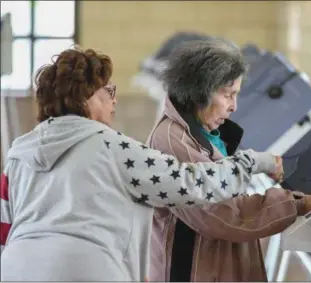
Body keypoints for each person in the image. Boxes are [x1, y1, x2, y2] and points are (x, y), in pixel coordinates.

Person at [0, 46, 285, 281]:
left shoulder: (18, 154)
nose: (114, 101)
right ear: (84, 99)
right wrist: (254, 162)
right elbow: (194, 183)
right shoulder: (113, 147)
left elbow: (4, 228)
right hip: (89, 270)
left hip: (15, 269)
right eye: (108, 92)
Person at [146, 40, 311, 282]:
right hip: (192, 272)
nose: (234, 106)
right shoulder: (173, 141)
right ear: (200, 92)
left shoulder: (205, 134)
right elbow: (220, 213)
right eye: (228, 95)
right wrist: (295, 204)